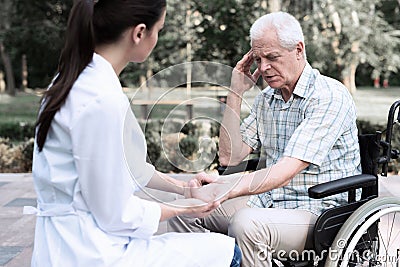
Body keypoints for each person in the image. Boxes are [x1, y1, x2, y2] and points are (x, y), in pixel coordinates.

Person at [26, 0, 242, 266]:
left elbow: (130, 167)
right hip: (90, 251)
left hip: (70, 243)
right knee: (228, 253)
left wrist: (184, 188)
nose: (157, 38)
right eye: (159, 29)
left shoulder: (75, 80)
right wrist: (188, 207)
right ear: (139, 33)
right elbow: (116, 214)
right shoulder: (100, 99)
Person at [168, 11, 361, 266]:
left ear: (298, 50)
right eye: (258, 59)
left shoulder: (329, 96)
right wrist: (235, 91)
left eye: (272, 57)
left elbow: (284, 171)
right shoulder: (266, 99)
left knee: (246, 224)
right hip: (271, 200)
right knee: (185, 210)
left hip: (321, 210)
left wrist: (226, 188)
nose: (263, 68)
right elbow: (230, 156)